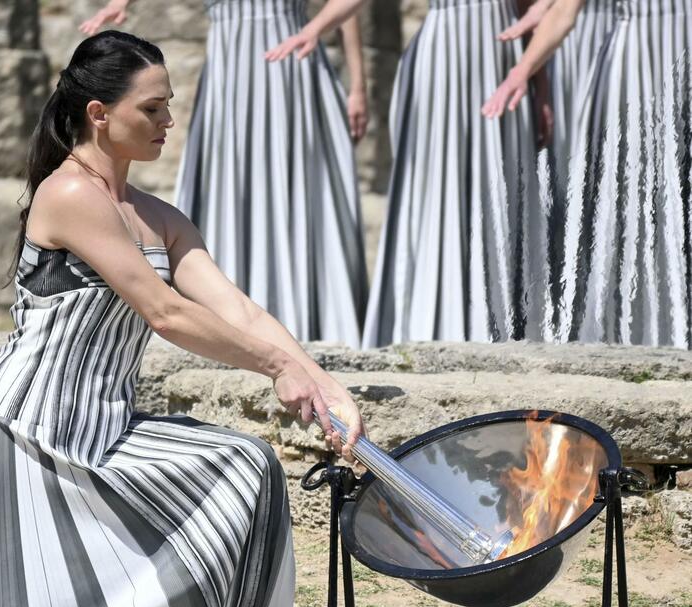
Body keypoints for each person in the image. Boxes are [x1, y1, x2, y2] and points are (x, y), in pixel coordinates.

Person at [0, 31, 364, 607]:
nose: (168, 121)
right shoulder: (68, 196)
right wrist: (276, 367)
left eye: (169, 106)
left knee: (246, 463)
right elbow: (167, 311)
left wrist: (323, 384)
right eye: (151, 109)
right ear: (100, 114)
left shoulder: (161, 217)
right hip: (29, 435)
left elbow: (239, 310)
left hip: (109, 428)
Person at [81, 0, 369, 348]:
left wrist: (355, 79)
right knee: (230, 191)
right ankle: (228, 318)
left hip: (289, 60)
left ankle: (303, 320)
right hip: (228, 67)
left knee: (293, 188)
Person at [270, 0, 555, 345]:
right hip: (441, 56)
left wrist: (539, 81)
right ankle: (431, 320)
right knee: (437, 194)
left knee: (502, 189)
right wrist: (315, 29)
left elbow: (528, 9)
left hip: (502, 61)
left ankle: (506, 318)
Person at [483, 0, 692, 347]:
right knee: (632, 207)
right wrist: (520, 73)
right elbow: (565, 13)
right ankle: (638, 330)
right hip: (636, 65)